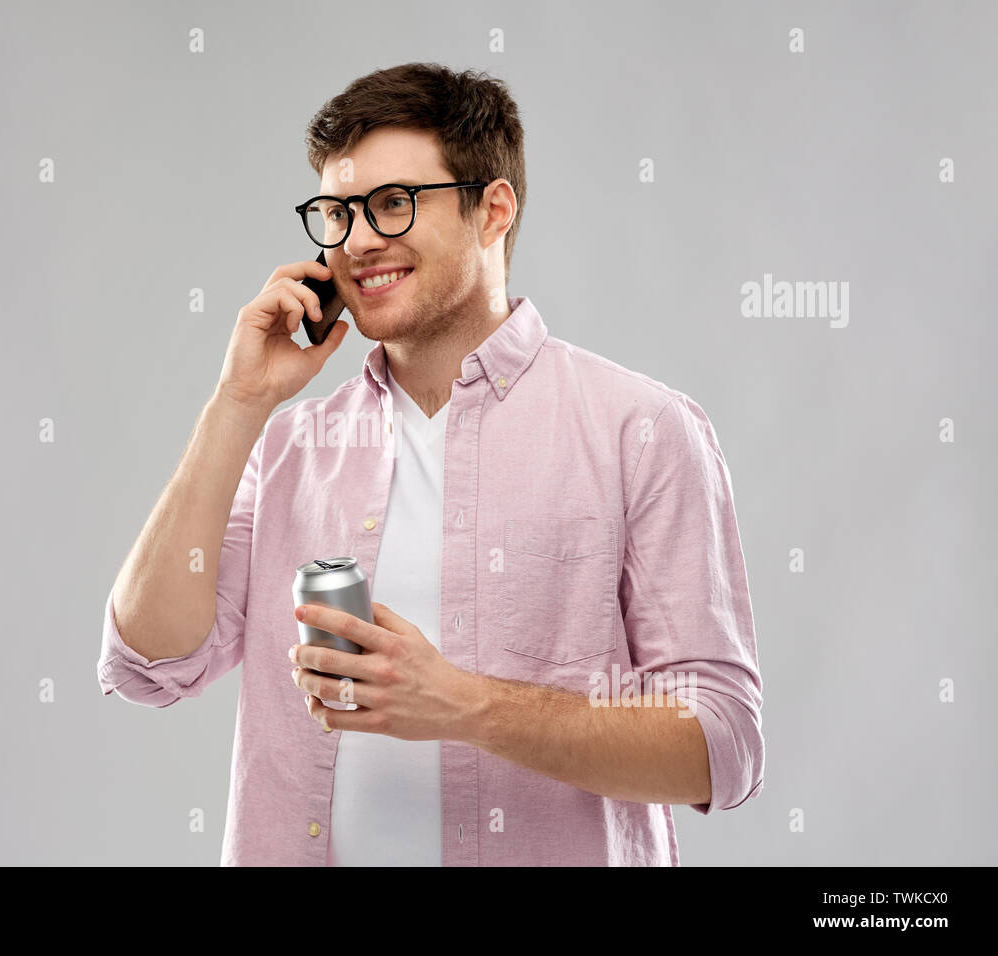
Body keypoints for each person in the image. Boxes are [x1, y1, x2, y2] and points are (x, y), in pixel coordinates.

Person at [96, 62, 764, 866]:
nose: (358, 241)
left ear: (493, 209)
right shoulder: (286, 449)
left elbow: (719, 744)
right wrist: (237, 402)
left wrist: (463, 706)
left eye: (392, 203)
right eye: (336, 213)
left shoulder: (643, 430)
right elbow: (147, 661)